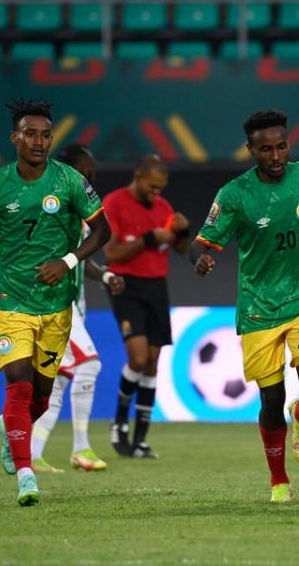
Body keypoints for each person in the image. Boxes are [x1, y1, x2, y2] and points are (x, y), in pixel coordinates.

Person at [191, 110, 299, 504]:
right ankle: (279, 481)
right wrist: (200, 258)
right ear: (250, 150)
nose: (275, 155)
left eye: (281, 146)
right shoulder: (234, 195)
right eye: (265, 149)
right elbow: (200, 242)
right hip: (257, 310)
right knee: (270, 402)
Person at [0, 99, 110, 506]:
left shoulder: (70, 181)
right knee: (19, 382)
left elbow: (102, 231)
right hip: (8, 302)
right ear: (15, 137)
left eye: (45, 135)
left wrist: (68, 260)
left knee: (42, 395)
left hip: (56, 307)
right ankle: (27, 475)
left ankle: (13, 430)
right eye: (30, 133)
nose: (38, 141)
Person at [31, 144, 125, 473]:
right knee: (89, 365)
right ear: (69, 171)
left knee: (57, 381)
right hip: (57, 306)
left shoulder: (81, 207)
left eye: (93, 173)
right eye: (85, 172)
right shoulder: (55, 206)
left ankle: (33, 453)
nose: (90, 177)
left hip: (75, 305)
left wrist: (106, 275)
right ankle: (81, 448)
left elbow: (80, 258)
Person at [104, 155, 190, 459]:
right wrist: (148, 238)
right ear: (138, 176)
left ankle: (140, 440)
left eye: (160, 189)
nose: (156, 194)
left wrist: (183, 231)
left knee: (153, 363)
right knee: (138, 359)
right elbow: (111, 250)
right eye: (152, 188)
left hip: (156, 287)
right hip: (125, 285)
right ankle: (118, 424)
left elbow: (179, 249)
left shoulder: (164, 208)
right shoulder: (114, 203)